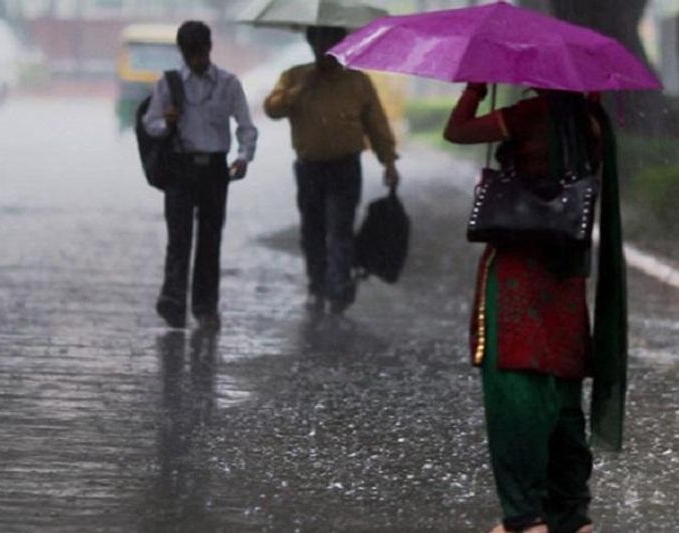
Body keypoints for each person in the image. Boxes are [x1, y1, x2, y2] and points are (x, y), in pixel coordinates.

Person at [444, 83, 626, 533]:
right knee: (562, 387)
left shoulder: (530, 114)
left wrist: (473, 90)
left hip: (518, 270)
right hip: (564, 276)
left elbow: (457, 131)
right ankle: (571, 512)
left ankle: (525, 517)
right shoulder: (593, 123)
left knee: (514, 384)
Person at [263, 25, 399, 315]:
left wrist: (388, 161)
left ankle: (337, 288)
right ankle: (316, 284)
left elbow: (376, 124)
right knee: (312, 230)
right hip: (309, 166)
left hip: (345, 167)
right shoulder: (294, 76)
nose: (324, 51)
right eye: (319, 44)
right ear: (311, 45)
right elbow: (271, 109)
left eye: (331, 44)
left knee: (340, 229)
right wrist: (298, 91)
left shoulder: (357, 82)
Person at [143, 20, 258, 329]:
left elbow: (246, 125)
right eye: (190, 53)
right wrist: (166, 123)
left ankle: (206, 307)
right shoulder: (168, 84)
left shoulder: (229, 84)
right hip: (180, 168)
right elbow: (149, 123)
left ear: (210, 48)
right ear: (182, 52)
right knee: (178, 239)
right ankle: (173, 301)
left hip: (215, 171)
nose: (196, 59)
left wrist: (244, 156)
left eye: (201, 51)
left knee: (210, 239)